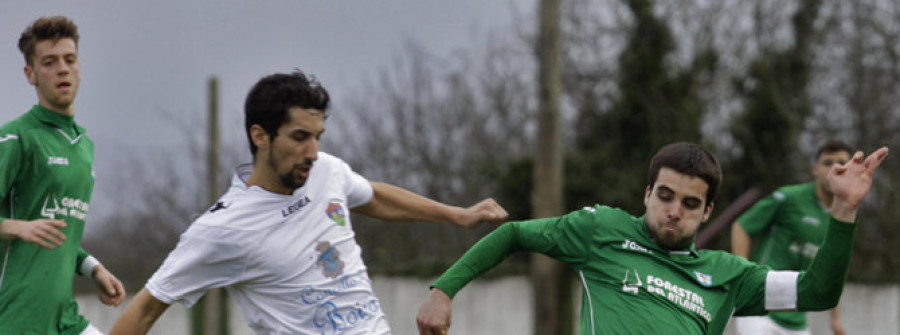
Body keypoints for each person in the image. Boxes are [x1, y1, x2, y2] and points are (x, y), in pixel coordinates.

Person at [110, 70, 508, 334]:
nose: (313, 151)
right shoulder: (222, 229)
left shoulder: (326, 171)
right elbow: (145, 308)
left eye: (318, 136)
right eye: (300, 137)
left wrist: (456, 214)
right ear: (261, 136)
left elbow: (374, 196)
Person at [417, 142, 889, 335]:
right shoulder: (600, 229)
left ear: (707, 212)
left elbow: (817, 291)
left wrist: (844, 212)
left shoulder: (730, 277)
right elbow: (515, 233)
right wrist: (443, 290)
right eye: (665, 196)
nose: (673, 211)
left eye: (689, 204)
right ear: (646, 194)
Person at [0, 16, 127, 334]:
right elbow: (30, 226)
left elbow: (59, 231)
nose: (62, 69)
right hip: (17, 319)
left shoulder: (84, 147)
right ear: (31, 74)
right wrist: (17, 227)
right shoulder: (16, 139)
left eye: (69, 60)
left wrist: (92, 267)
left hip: (63, 317)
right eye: (49, 62)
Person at [730, 139, 853, 335]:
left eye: (841, 163)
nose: (835, 168)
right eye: (827, 163)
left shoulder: (844, 216)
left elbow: (833, 270)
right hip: (759, 309)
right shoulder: (788, 198)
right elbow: (741, 226)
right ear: (815, 169)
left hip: (797, 316)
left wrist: (835, 318)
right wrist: (742, 277)